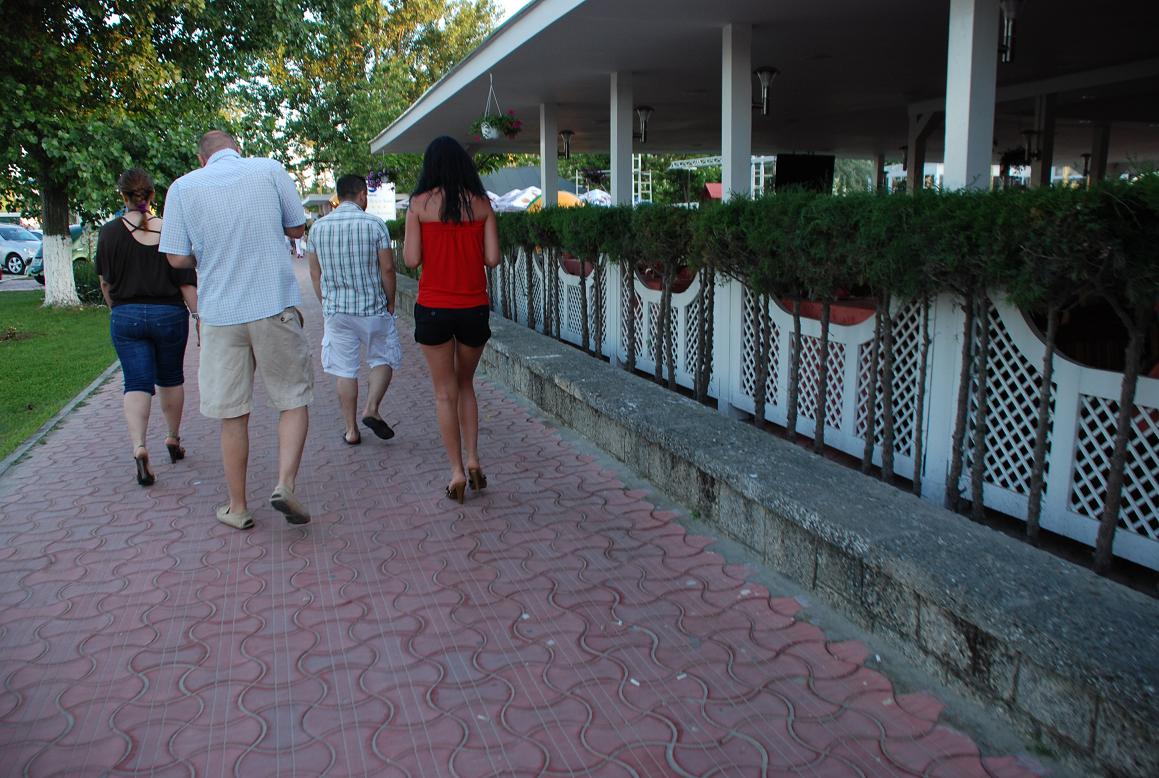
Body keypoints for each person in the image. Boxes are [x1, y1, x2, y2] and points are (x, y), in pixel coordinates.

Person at [160, 130, 313, 531]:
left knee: (232, 413)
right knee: (293, 399)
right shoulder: (269, 169)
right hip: (273, 305)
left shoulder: (182, 188)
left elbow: (175, 257)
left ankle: (238, 506)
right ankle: (285, 484)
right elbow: (297, 229)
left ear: (201, 158)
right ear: (237, 149)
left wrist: (207, 252)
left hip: (220, 314)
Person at [403, 136, 501, 503]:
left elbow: (411, 260)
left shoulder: (418, 205)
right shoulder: (482, 205)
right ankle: (474, 459)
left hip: (434, 308)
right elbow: (492, 259)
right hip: (473, 307)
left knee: (444, 393)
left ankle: (456, 471)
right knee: (466, 385)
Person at [97, 168, 198, 486]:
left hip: (126, 315)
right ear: (152, 195)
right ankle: (172, 438)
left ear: (123, 196)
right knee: (171, 378)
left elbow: (105, 282)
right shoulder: (170, 231)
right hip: (168, 315)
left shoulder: (109, 233)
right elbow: (185, 282)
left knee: (136, 383)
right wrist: (199, 318)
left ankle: (139, 447)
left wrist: (117, 310)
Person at [305, 174, 401, 445]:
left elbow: (315, 273)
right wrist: (390, 301)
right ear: (361, 194)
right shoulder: (375, 225)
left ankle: (351, 430)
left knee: (345, 370)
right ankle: (371, 408)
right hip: (372, 308)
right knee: (383, 357)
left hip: (337, 311)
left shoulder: (318, 228)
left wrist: (325, 302)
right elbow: (387, 269)